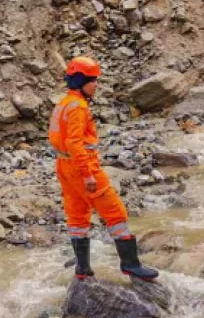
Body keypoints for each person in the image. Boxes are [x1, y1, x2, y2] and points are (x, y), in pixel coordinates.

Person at [49, 57, 159, 281]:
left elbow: (60, 140)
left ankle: (82, 269)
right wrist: (88, 173)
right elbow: (75, 143)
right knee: (115, 212)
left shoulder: (63, 104)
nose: (96, 85)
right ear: (81, 82)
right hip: (82, 166)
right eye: (93, 81)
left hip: (64, 166)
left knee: (77, 215)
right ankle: (130, 265)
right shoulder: (78, 107)